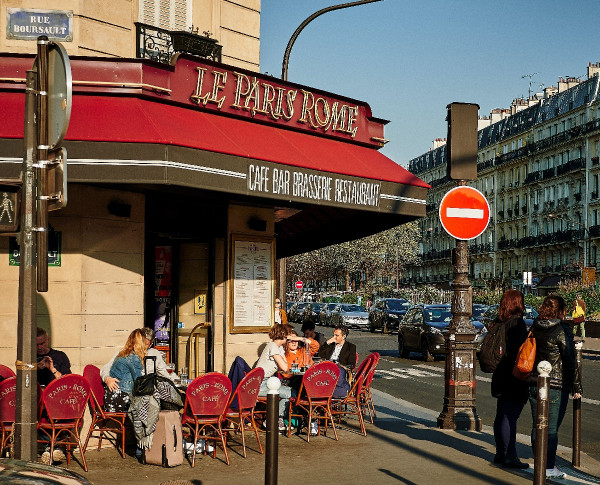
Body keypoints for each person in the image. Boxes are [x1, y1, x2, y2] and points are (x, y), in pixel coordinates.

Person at [528, 295, 582, 479]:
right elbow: (570, 360)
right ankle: (548, 467)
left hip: (534, 382)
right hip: (556, 384)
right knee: (550, 429)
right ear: (560, 311)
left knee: (538, 426)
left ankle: (540, 464)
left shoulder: (535, 326)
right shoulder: (561, 329)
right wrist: (576, 387)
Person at [490, 290, 529, 469]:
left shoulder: (499, 322)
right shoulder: (517, 323)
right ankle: (509, 455)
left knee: (501, 415)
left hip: (499, 374)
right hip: (513, 375)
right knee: (510, 417)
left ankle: (500, 453)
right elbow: (519, 352)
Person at [101, 327, 173, 392]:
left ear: (151, 344)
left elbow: (164, 372)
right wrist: (107, 379)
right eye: (142, 342)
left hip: (147, 389)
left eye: (146, 344)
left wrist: (176, 381)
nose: (143, 346)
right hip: (133, 390)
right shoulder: (125, 352)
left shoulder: (154, 353)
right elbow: (106, 367)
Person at [256, 323, 295, 431]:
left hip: (266, 382)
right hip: (260, 384)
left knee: (291, 391)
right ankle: (274, 419)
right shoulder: (273, 346)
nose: (288, 338)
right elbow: (285, 367)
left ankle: (277, 419)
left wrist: (282, 351)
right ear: (283, 335)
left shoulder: (276, 347)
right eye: (287, 335)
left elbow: (285, 367)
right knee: (291, 393)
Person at [104, 329, 146, 413]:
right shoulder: (134, 358)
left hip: (110, 399)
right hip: (121, 400)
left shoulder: (122, 354)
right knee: (150, 404)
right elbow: (139, 382)